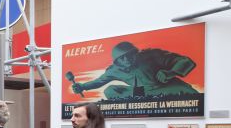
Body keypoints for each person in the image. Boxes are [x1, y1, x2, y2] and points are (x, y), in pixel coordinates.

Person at [69, 40, 198, 99]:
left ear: (135, 53)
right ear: (117, 61)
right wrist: (82, 86)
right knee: (110, 90)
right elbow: (100, 81)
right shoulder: (114, 70)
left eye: (129, 55)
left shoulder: (151, 56)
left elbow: (185, 61)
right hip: (141, 93)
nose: (126, 60)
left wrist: (171, 72)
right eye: (122, 58)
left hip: (167, 86)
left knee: (190, 93)